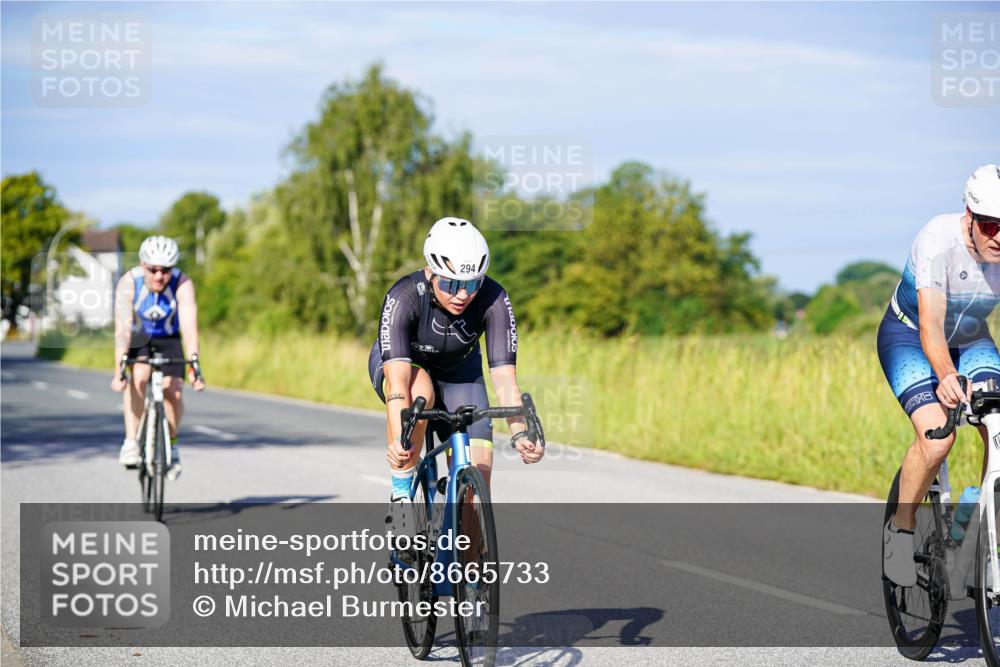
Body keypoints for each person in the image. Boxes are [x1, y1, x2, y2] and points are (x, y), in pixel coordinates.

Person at [368, 217, 543, 504]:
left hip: (460, 375)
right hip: (407, 367)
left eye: (473, 283)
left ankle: (466, 542)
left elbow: (505, 379)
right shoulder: (404, 295)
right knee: (419, 393)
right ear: (430, 272)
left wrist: (521, 432)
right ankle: (402, 496)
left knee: (476, 486)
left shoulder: (494, 298)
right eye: (451, 284)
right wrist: (400, 442)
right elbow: (398, 385)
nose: (463, 295)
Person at [881, 165, 1000, 587]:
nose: (998, 236)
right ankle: (902, 527)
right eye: (990, 225)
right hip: (910, 336)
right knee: (938, 437)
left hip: (971, 340)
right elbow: (931, 326)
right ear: (969, 217)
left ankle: (975, 530)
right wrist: (946, 376)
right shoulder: (938, 239)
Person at [111, 235, 204, 479]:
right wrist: (118, 371)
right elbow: (122, 329)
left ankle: (171, 446)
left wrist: (195, 366)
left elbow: (190, 330)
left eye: (166, 270)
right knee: (139, 375)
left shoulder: (182, 284)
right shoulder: (129, 282)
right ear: (143, 265)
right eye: (153, 270)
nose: (159, 276)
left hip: (169, 338)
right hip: (139, 335)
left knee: (173, 391)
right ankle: (131, 441)